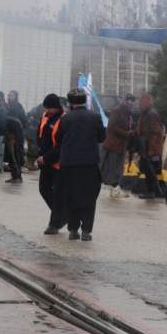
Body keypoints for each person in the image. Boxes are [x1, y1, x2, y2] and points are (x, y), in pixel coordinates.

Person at [55, 88, 105, 241]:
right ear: (85, 100)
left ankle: (73, 229)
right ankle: (86, 231)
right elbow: (102, 137)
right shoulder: (95, 117)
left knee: (71, 196)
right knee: (89, 197)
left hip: (69, 164)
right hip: (90, 164)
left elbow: (58, 139)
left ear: (70, 102)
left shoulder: (65, 118)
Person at [36, 94, 65, 234]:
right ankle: (61, 216)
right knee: (44, 189)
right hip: (45, 160)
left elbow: (61, 146)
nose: (47, 110)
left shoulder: (63, 120)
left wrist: (46, 158)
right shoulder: (45, 116)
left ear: (55, 107)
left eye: (49, 108)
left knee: (58, 193)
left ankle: (56, 222)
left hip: (57, 162)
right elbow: (40, 134)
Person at [101, 94, 134, 198]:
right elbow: (111, 126)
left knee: (118, 168)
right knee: (114, 168)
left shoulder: (128, 114)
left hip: (121, 144)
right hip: (114, 145)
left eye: (133, 101)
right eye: (129, 101)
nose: (131, 103)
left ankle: (115, 189)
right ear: (125, 101)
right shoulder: (117, 111)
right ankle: (114, 189)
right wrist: (126, 133)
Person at [135, 93, 166, 199]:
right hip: (146, 146)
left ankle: (153, 192)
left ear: (147, 102)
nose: (140, 104)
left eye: (142, 102)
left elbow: (155, 133)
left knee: (151, 171)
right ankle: (154, 191)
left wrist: (151, 150)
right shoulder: (146, 113)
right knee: (149, 170)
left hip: (150, 148)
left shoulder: (151, 114)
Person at [6, 90, 28, 170]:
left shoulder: (17, 106)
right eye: (8, 95)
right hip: (9, 134)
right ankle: (14, 175)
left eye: (11, 95)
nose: (8, 97)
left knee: (15, 155)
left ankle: (17, 175)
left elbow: (22, 121)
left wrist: (17, 135)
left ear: (15, 97)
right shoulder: (8, 106)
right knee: (11, 156)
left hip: (16, 135)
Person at [4, 115, 24, 183]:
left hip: (14, 142)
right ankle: (15, 177)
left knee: (14, 160)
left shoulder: (10, 122)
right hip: (16, 141)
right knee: (13, 160)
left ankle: (17, 177)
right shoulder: (13, 121)